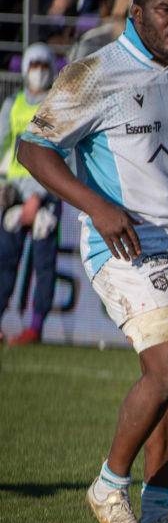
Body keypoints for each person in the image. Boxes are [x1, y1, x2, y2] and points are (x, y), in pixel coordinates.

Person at [19, 0, 168, 523]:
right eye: (165, 9)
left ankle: (159, 512)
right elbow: (32, 148)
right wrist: (99, 207)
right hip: (123, 242)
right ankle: (108, 486)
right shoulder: (93, 74)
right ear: (135, 13)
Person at [0, 43, 61, 346]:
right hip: (13, 193)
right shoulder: (13, 105)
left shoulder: (56, 106)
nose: (39, 69)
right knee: (5, 260)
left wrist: (39, 196)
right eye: (33, 63)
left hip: (45, 193)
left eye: (44, 63)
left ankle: (35, 328)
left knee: (43, 264)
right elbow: (3, 146)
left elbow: (57, 153)